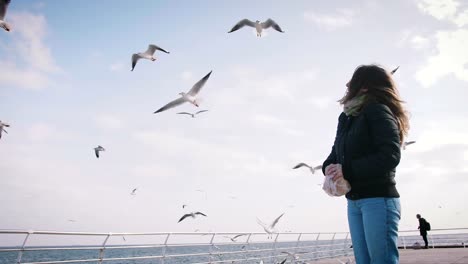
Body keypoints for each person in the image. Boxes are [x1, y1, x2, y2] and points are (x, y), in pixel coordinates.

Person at [322, 64, 409, 264]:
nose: (347, 84)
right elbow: (336, 153)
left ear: (365, 87)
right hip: (354, 201)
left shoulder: (378, 110)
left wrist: (347, 169)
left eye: (352, 80)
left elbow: (390, 156)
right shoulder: (347, 117)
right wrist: (329, 166)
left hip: (378, 200)